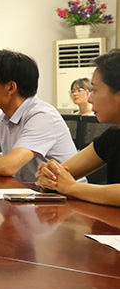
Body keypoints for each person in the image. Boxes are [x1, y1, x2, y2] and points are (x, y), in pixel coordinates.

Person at [0, 50, 77, 181]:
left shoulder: (42, 116)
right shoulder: (5, 117)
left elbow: (9, 166)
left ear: (11, 87)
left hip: (61, 193)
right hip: (30, 190)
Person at [37, 49, 120, 206]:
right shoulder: (113, 137)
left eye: (94, 90)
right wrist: (49, 175)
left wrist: (72, 187)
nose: (90, 99)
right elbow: (59, 174)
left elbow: (67, 184)